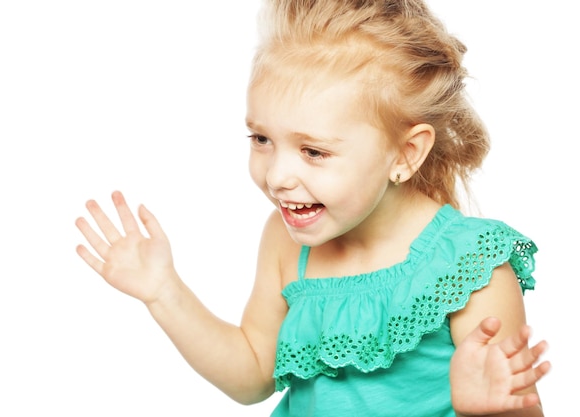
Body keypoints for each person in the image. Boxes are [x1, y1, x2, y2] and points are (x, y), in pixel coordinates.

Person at [75, 0, 551, 415]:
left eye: (314, 152)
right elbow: (252, 375)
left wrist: (489, 410)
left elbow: (517, 406)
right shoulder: (286, 242)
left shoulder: (472, 266)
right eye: (262, 139)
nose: (278, 177)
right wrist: (164, 292)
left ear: (405, 154)